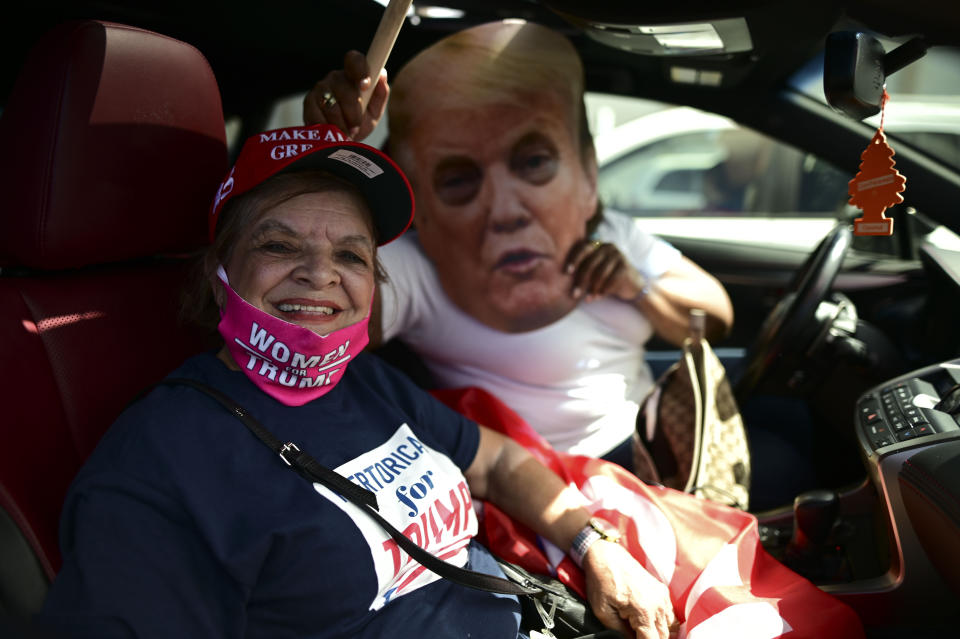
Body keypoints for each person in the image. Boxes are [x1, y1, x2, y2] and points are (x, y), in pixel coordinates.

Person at [37, 123, 677, 639]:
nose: (322, 274)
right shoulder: (161, 464)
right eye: (280, 246)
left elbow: (502, 463)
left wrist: (597, 547)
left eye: (351, 254)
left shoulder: (365, 381)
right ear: (217, 273)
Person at [303, 20, 734, 468]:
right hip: (542, 485)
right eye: (458, 181)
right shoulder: (416, 268)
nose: (505, 210)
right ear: (423, 212)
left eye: (533, 162)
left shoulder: (613, 235)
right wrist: (327, 152)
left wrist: (639, 288)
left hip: (654, 449)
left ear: (587, 175)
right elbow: (301, 330)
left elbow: (716, 319)